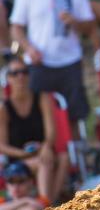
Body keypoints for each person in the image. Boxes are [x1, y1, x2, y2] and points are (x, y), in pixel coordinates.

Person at [10, 0, 95, 127]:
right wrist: (29, 48)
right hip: (40, 62)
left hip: (70, 60)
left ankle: (77, 149)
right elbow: (16, 27)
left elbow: (89, 26)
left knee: (76, 114)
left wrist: (74, 22)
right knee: (39, 115)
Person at [0, 56, 55, 203]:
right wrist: (23, 154)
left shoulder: (41, 98)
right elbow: (2, 146)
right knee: (44, 161)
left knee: (62, 158)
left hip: (42, 152)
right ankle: (44, 204)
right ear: (8, 78)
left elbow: (51, 132)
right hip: (19, 159)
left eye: (24, 72)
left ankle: (46, 203)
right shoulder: (4, 108)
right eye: (15, 73)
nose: (21, 76)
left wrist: (45, 146)